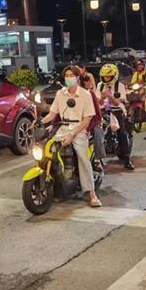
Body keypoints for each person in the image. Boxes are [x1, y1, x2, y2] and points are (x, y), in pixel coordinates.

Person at [40, 66, 102, 207]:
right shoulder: (60, 94)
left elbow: (87, 119)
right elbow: (52, 114)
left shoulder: (86, 95)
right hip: (63, 128)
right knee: (47, 149)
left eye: (71, 75)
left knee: (82, 157)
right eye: (66, 75)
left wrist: (73, 134)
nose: (68, 78)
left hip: (79, 129)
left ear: (78, 77)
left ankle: (92, 193)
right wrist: (40, 122)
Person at [97, 63, 134, 170]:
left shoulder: (120, 86)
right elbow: (98, 103)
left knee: (122, 132)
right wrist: (102, 97)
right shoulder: (100, 85)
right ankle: (97, 159)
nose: (106, 78)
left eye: (108, 76)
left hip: (116, 110)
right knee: (96, 131)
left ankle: (127, 159)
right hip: (103, 111)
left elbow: (118, 103)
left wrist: (110, 96)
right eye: (105, 76)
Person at [81, 72, 105, 166]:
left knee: (97, 133)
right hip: (77, 124)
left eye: (89, 81)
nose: (88, 83)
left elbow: (97, 114)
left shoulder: (91, 94)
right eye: (86, 81)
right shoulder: (66, 94)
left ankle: (97, 159)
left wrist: (90, 127)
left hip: (92, 122)